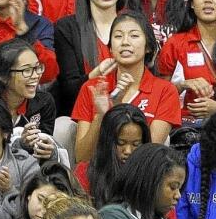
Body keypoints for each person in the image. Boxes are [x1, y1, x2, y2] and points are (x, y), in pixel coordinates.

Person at [72, 11, 181, 160]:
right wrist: (103, 115)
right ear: (110, 48)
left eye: (134, 35)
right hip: (100, 173)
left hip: (140, 176)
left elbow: (149, 152)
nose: (125, 42)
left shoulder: (166, 91)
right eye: (118, 36)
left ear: (148, 46)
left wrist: (117, 108)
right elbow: (82, 157)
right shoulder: (91, 88)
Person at [54, 0, 124, 115]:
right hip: (82, 114)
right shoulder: (66, 28)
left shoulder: (134, 24)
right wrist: (97, 72)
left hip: (127, 112)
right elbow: (69, 91)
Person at [0, 37, 59, 151]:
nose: (36, 75)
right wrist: (20, 145)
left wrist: (46, 152)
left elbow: (45, 143)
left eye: (37, 67)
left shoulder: (44, 102)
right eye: (26, 70)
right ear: (2, 76)